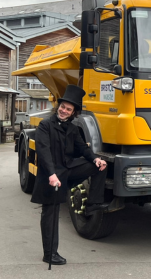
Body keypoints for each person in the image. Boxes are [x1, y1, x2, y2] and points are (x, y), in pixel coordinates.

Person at [31, 84, 108, 266]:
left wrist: (95, 159)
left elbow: (82, 148)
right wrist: (51, 174)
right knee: (50, 213)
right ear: (59, 107)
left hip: (68, 170)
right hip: (50, 175)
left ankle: (92, 204)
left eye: (68, 109)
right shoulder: (45, 126)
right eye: (63, 107)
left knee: (100, 166)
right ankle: (49, 254)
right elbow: (44, 152)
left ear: (73, 113)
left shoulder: (73, 129)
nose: (64, 111)